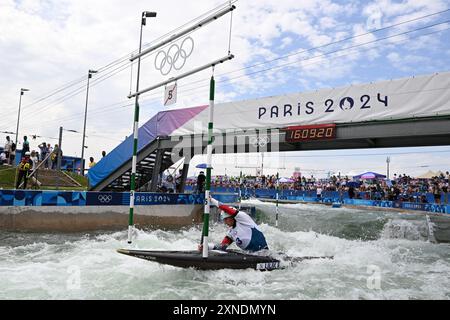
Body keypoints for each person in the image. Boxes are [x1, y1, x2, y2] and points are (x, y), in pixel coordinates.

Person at [199, 197, 269, 252]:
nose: (225, 222)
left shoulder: (243, 218)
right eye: (224, 220)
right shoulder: (231, 233)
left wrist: (211, 199)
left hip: (264, 252)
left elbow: (225, 208)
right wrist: (207, 247)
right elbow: (222, 246)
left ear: (232, 217)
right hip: (252, 255)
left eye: (226, 219)